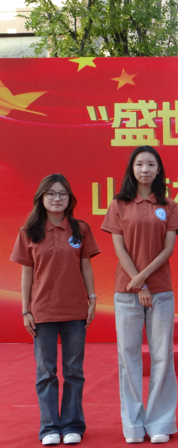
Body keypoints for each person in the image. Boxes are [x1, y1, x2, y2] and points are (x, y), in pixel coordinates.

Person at [101, 146, 178, 444]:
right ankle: (133, 425)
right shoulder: (119, 204)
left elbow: (168, 249)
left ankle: (160, 421)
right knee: (128, 356)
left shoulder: (169, 205)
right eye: (139, 164)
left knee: (162, 355)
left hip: (161, 291)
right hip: (127, 292)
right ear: (132, 169)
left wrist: (144, 279)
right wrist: (139, 285)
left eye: (151, 164)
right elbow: (119, 248)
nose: (145, 169)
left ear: (159, 169)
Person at [10, 174, 100, 446]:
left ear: (70, 198)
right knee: (46, 372)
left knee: (74, 371)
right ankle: (49, 427)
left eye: (62, 193)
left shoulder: (80, 229)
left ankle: (72, 425)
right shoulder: (29, 231)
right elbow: (27, 273)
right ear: (41, 198)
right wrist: (25, 310)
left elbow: (86, 265)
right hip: (42, 312)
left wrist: (92, 298)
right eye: (50, 193)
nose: (57, 198)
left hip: (75, 311)